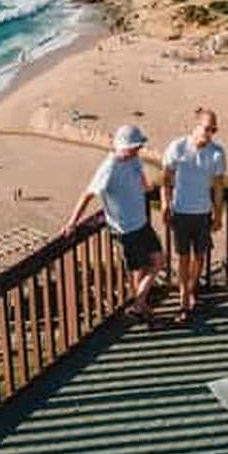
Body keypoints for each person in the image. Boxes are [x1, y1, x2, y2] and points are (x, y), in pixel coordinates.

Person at [63, 124, 163, 321]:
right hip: (125, 229)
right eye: (134, 146)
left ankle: (139, 304)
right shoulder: (109, 168)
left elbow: (141, 178)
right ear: (122, 146)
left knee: (158, 260)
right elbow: (87, 194)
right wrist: (72, 222)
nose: (138, 149)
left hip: (141, 223)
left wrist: (145, 187)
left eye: (138, 146)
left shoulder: (134, 159)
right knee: (139, 269)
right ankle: (139, 305)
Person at [161, 107, 226, 323]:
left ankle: (191, 289)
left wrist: (218, 215)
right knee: (183, 257)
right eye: (207, 128)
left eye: (213, 129)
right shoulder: (177, 147)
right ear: (196, 126)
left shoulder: (217, 153)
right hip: (180, 211)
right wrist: (164, 204)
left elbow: (218, 187)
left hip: (203, 212)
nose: (210, 133)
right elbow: (166, 179)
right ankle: (183, 295)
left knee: (200, 256)